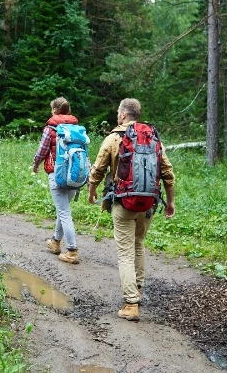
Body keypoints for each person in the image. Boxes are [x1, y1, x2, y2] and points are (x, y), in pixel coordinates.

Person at [87, 98, 175, 321]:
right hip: (148, 204)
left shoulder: (114, 137)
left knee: (125, 252)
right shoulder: (152, 138)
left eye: (119, 112)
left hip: (123, 203)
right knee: (138, 245)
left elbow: (98, 169)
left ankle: (131, 303)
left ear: (124, 114)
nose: (117, 115)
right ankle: (138, 290)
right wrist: (170, 202)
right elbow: (167, 173)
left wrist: (92, 191)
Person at [32, 97, 81, 264]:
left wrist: (36, 164)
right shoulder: (77, 128)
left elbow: (42, 150)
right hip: (74, 175)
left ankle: (72, 251)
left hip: (57, 174)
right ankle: (55, 242)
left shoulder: (51, 128)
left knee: (64, 213)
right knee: (64, 210)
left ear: (54, 110)